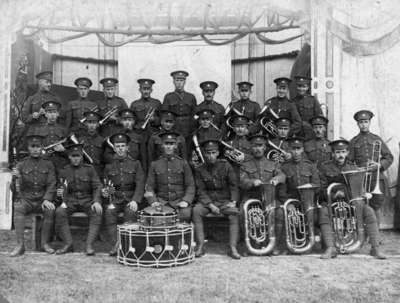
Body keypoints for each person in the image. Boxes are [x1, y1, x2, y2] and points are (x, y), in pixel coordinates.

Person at [318, 139, 386, 259]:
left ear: (347, 153)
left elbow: (358, 188)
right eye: (338, 152)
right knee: (323, 212)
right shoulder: (324, 168)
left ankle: (375, 248)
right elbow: (320, 190)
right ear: (333, 154)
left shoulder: (353, 167)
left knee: (368, 211)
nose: (340, 155)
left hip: (350, 202)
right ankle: (331, 248)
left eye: (343, 152)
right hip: (331, 202)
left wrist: (362, 192)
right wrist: (334, 195)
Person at [192, 140, 241, 259]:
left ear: (218, 153)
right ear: (204, 154)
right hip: (208, 202)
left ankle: (233, 247)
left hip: (224, 201)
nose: (210, 156)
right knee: (196, 211)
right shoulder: (200, 169)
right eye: (208, 153)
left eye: (213, 152)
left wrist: (233, 201)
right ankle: (200, 245)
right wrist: (210, 205)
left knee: (234, 213)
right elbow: (200, 190)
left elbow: (234, 185)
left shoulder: (226, 165)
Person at [10, 135, 56, 256]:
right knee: (18, 207)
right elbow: (14, 188)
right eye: (33, 146)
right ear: (28, 148)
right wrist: (15, 178)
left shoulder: (48, 164)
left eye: (38, 146)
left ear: (42, 148)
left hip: (42, 199)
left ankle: (44, 243)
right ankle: (20, 245)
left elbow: (52, 184)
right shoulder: (21, 164)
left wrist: (47, 199)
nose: (35, 149)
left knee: (50, 210)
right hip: (27, 200)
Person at [239, 134, 286, 255]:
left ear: (265, 147)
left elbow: (282, 176)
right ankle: (249, 245)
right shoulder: (245, 165)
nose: (258, 149)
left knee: (280, 212)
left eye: (260, 146)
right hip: (252, 198)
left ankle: (274, 244)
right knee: (242, 212)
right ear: (251, 147)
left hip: (270, 198)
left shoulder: (273, 164)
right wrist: (252, 182)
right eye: (255, 146)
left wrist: (276, 179)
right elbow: (242, 181)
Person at [55, 144, 102, 255]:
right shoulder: (65, 170)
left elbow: (97, 186)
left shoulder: (89, 169)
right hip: (70, 200)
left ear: (82, 157)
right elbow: (61, 187)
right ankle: (68, 243)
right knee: (59, 212)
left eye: (78, 156)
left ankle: (89, 245)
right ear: (69, 157)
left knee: (97, 212)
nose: (76, 159)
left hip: (87, 199)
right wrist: (60, 194)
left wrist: (96, 201)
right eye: (73, 156)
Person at [102, 133, 145, 256]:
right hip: (116, 199)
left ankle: (126, 244)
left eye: (122, 146)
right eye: (117, 146)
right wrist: (106, 192)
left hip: (131, 198)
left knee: (130, 213)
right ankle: (117, 244)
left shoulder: (136, 164)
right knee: (109, 212)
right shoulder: (109, 166)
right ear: (114, 148)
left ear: (127, 148)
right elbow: (107, 184)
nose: (120, 148)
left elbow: (140, 184)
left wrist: (135, 200)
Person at [348, 110, 393, 226]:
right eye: (361, 122)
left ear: (369, 123)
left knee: (376, 205)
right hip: (361, 178)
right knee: (363, 205)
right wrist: (357, 169)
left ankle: (375, 233)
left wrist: (380, 165)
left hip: (376, 178)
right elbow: (348, 162)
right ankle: (365, 233)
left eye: (366, 122)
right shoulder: (353, 142)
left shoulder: (376, 139)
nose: (363, 124)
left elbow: (389, 157)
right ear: (357, 124)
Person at [279, 136, 320, 255]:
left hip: (309, 202)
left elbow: (317, 185)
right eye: (293, 149)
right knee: (289, 216)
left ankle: (313, 240)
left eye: (298, 149)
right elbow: (281, 191)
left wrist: (311, 195)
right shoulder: (285, 167)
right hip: (293, 202)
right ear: (289, 150)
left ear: (302, 150)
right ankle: (291, 243)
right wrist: (289, 204)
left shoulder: (310, 166)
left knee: (317, 216)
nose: (296, 152)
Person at [145, 132, 194, 222]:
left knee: (185, 215)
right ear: (162, 145)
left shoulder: (183, 163)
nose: (168, 147)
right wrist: (153, 201)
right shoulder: (155, 164)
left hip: (179, 201)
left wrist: (186, 200)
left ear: (175, 146)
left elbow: (190, 185)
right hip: (161, 202)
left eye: (171, 144)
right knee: (157, 220)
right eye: (166, 144)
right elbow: (149, 186)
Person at [30, 100, 68, 174]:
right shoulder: (38, 130)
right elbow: (34, 148)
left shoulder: (64, 130)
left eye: (54, 112)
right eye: (50, 112)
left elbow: (70, 150)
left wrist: (63, 150)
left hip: (60, 164)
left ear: (58, 114)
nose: (52, 115)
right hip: (43, 164)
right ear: (46, 114)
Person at [163, 70, 197, 141]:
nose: (179, 83)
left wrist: (193, 130)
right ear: (173, 81)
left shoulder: (191, 97)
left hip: (188, 129)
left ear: (185, 82)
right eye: (177, 80)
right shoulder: (168, 97)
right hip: (173, 129)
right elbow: (164, 115)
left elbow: (194, 114)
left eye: (181, 80)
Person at [291, 76, 323, 140]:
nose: (301, 89)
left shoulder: (313, 100)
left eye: (304, 87)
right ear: (296, 87)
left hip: (311, 133)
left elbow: (319, 117)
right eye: (299, 86)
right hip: (297, 134)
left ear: (307, 87)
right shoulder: (293, 101)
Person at [76, 111, 105, 178]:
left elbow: (104, 159)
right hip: (84, 171)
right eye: (89, 122)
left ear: (98, 124)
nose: (92, 125)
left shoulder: (102, 140)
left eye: (94, 123)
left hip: (98, 171)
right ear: (86, 123)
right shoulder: (80, 140)